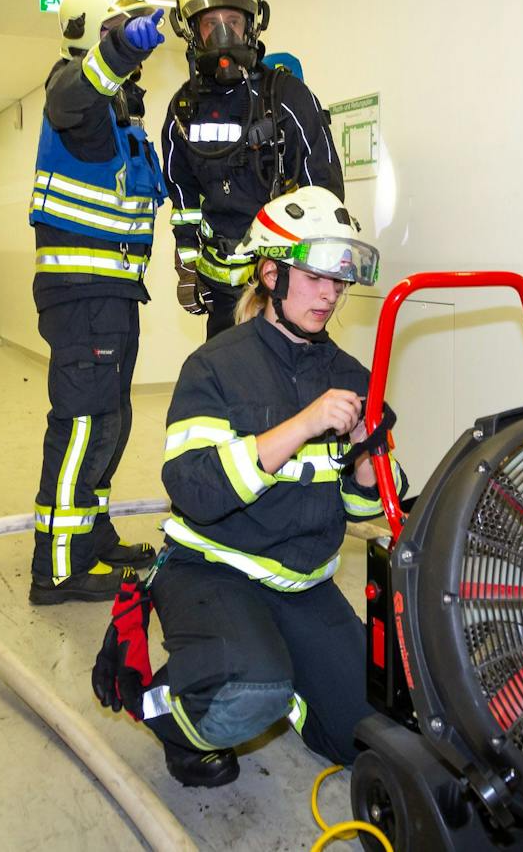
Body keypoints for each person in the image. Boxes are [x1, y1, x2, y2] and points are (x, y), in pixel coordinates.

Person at [130, 187, 403, 788]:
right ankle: (170, 710)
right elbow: (194, 487)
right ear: (271, 273)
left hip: (302, 583)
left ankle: (292, 687)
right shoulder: (216, 365)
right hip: (213, 568)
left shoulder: (350, 375)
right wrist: (303, 425)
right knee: (248, 688)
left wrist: (367, 459)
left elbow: (363, 507)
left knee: (373, 733)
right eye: (313, 276)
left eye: (338, 279)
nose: (330, 293)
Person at [27, 0, 168, 604]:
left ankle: (93, 534)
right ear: (93, 30)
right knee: (83, 424)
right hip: (83, 295)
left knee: (110, 420)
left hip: (111, 295)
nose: (130, 41)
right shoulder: (71, 88)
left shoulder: (116, 113)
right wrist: (118, 52)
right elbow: (73, 96)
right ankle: (57, 568)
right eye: (119, 26)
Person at [161, 0, 344, 338]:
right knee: (226, 383)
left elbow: (325, 191)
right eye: (211, 24)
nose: (223, 35)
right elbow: (183, 203)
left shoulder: (287, 97)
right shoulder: (183, 111)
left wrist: (316, 277)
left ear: (252, 25)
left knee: (287, 389)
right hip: (221, 294)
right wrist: (187, 265)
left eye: (233, 22)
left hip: (282, 288)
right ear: (192, 31)